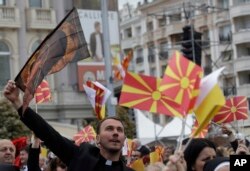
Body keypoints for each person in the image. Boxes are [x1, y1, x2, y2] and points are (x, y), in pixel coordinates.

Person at [4, 80, 134, 171]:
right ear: (98, 139)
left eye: (119, 130)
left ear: (124, 140)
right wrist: (18, 103)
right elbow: (48, 133)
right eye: (109, 129)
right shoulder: (81, 155)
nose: (115, 133)